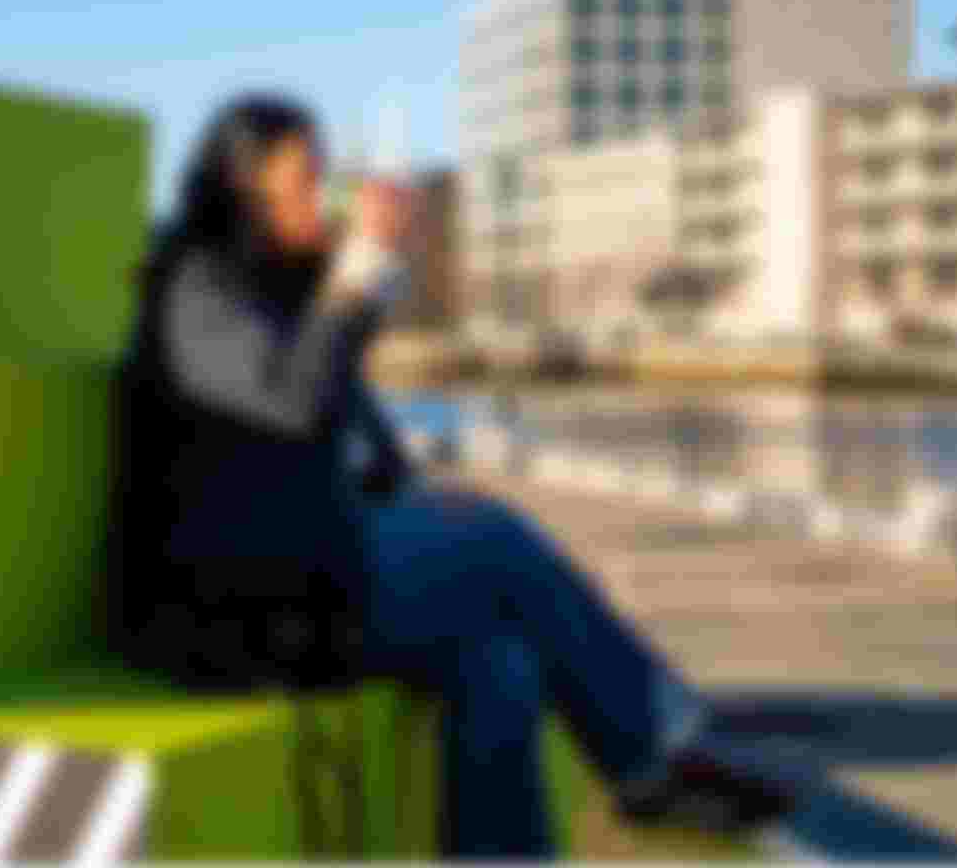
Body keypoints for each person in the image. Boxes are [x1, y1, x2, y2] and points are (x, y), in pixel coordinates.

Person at [107, 93, 799, 858]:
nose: (325, 191)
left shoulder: (274, 289)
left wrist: (397, 478)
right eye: (306, 174)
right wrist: (358, 269)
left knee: (501, 662)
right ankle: (655, 754)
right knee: (495, 539)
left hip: (300, 580)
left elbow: (343, 427)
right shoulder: (193, 287)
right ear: (244, 184)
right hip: (230, 615)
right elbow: (291, 402)